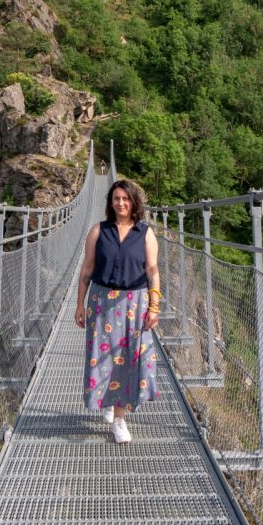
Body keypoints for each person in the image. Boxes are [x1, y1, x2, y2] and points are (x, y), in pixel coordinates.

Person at [74, 178, 161, 443]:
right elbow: (87, 268)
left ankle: (120, 419)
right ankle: (111, 405)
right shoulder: (98, 231)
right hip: (101, 302)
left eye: (125, 198)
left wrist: (155, 306)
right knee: (103, 358)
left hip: (135, 303)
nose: (120, 203)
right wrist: (80, 304)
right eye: (116, 199)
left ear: (134, 202)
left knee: (126, 358)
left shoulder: (145, 233)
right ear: (110, 203)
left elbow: (152, 270)